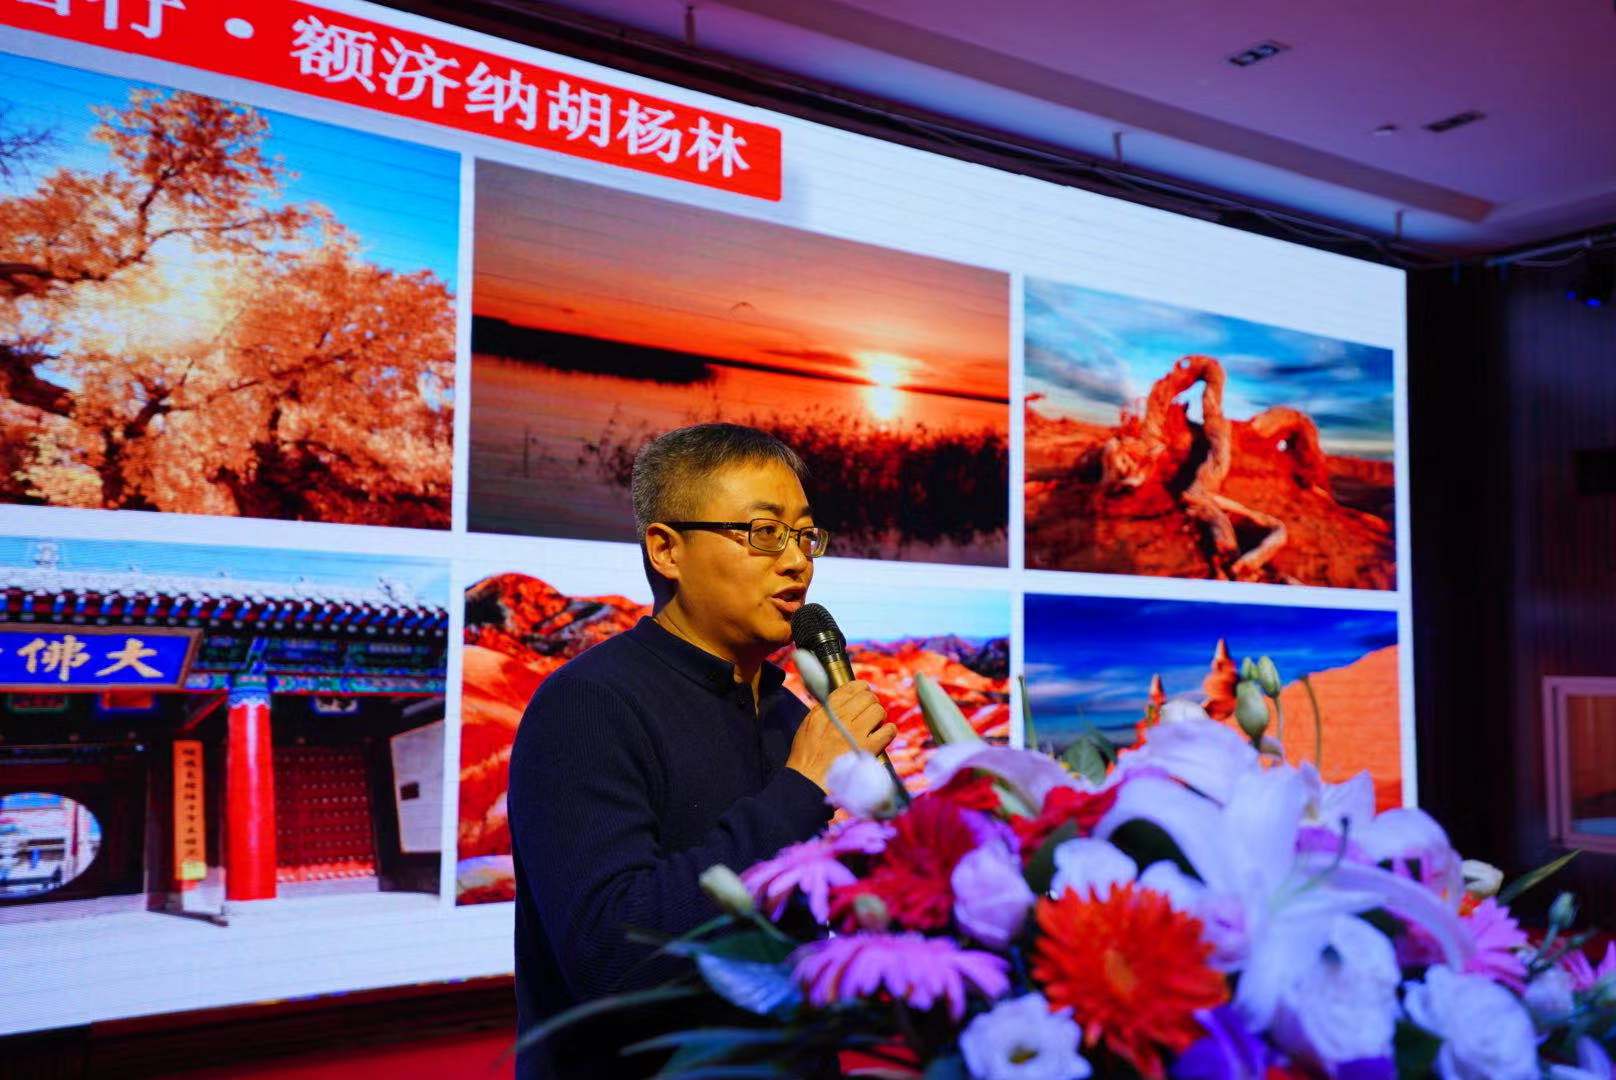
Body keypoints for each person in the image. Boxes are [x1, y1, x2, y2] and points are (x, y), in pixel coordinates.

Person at [509, 423, 896, 1079]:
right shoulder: (587, 705)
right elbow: (611, 955)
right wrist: (801, 790)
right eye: (764, 532)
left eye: (805, 536)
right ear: (667, 549)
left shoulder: (789, 715)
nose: (797, 561)